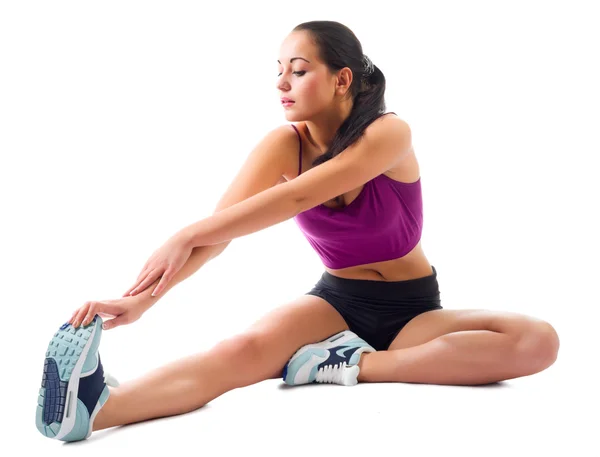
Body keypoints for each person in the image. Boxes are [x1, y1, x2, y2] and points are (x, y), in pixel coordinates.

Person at [35, 20, 560, 442]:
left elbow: (297, 196)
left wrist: (185, 231)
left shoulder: (390, 133)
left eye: (299, 69)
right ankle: (96, 408)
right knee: (237, 353)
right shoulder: (283, 145)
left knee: (537, 341)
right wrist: (145, 300)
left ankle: (348, 363)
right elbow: (219, 237)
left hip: (413, 310)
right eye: (278, 70)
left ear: (342, 78)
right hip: (336, 302)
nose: (282, 82)